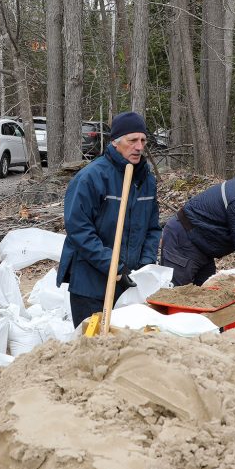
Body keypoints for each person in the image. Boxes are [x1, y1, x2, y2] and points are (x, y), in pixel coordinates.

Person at [58, 111, 162, 327]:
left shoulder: (146, 180)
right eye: (132, 140)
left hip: (130, 283)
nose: (139, 146)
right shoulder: (91, 177)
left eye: (142, 140)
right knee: (93, 349)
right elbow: (79, 230)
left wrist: (145, 265)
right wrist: (114, 266)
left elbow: (152, 228)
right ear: (116, 142)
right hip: (91, 284)